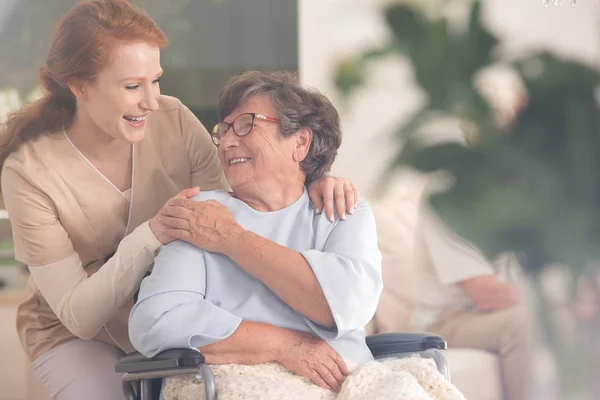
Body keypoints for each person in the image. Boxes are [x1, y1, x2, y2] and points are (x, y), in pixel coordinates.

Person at [0, 1, 358, 399]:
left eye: (156, 80)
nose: (152, 101)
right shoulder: (29, 172)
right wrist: (153, 232)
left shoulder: (172, 120)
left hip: (176, 313)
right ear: (80, 87)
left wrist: (309, 177)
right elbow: (79, 316)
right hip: (79, 335)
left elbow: (238, 204)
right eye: (132, 86)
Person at [128, 70, 384, 397]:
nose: (229, 141)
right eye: (224, 130)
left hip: (348, 383)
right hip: (247, 385)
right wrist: (284, 346)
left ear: (300, 142)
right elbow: (156, 321)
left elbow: (348, 304)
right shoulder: (201, 214)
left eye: (246, 124)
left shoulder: (341, 210)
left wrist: (231, 239)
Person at [409, 207, 534, 400]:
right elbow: (488, 295)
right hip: (444, 321)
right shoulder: (446, 201)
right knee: (524, 323)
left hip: (487, 315)